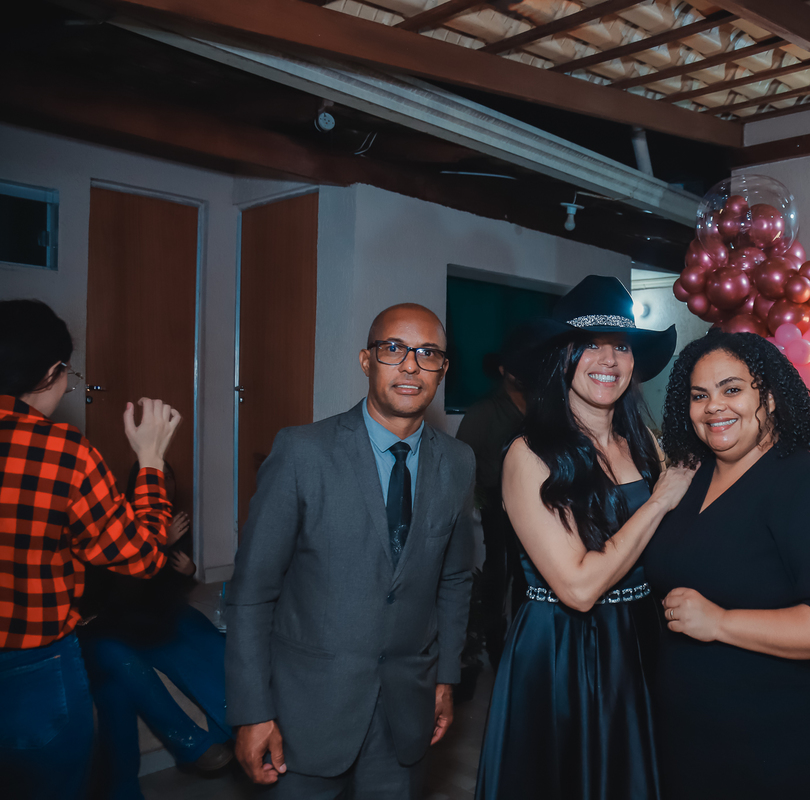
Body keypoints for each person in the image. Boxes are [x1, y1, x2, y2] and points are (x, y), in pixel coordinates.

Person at [225, 303, 475, 799]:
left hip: (406, 710)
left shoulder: (458, 461)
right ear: (366, 361)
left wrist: (445, 676)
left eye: (427, 353)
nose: (411, 365)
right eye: (393, 349)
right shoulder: (302, 452)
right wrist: (252, 712)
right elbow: (252, 592)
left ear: (443, 369)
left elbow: (454, 578)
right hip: (307, 712)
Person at [474, 275, 695, 800]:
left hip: (640, 636)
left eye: (621, 346)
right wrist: (660, 500)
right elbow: (577, 588)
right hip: (566, 649)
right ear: (562, 356)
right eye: (590, 344)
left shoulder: (643, 443)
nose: (609, 360)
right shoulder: (529, 454)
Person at [643, 330, 810, 800]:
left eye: (731, 389)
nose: (713, 406)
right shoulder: (690, 480)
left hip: (783, 743)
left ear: (769, 398)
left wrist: (720, 621)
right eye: (699, 395)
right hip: (693, 737)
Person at [0, 299, 181, 800]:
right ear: (51, 373)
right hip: (31, 669)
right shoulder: (61, 451)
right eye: (67, 374)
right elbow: (143, 556)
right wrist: (150, 461)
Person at [77, 461, 233, 799]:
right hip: (111, 619)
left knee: (202, 637)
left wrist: (188, 570)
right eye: (153, 477)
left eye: (168, 477)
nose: (163, 483)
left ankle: (235, 729)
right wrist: (158, 543)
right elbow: (117, 594)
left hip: (152, 611)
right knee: (119, 671)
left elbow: (174, 586)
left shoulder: (176, 521)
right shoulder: (116, 525)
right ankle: (191, 744)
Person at [455, 327, 534, 670]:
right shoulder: (484, 410)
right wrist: (475, 504)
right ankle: (496, 648)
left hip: (534, 508)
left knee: (527, 576)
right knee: (498, 575)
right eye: (514, 365)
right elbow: (461, 463)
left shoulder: (541, 407)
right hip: (494, 507)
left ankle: (522, 645)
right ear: (502, 369)